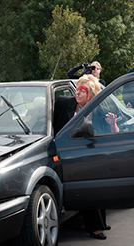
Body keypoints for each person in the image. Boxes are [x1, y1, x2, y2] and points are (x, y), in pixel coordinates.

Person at [54, 74, 115, 240]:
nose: (78, 93)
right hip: (64, 151)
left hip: (88, 154)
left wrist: (112, 125)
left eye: (83, 91)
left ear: (91, 95)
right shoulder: (64, 103)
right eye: (78, 89)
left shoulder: (99, 112)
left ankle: (98, 225)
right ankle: (96, 226)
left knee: (93, 185)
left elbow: (110, 135)